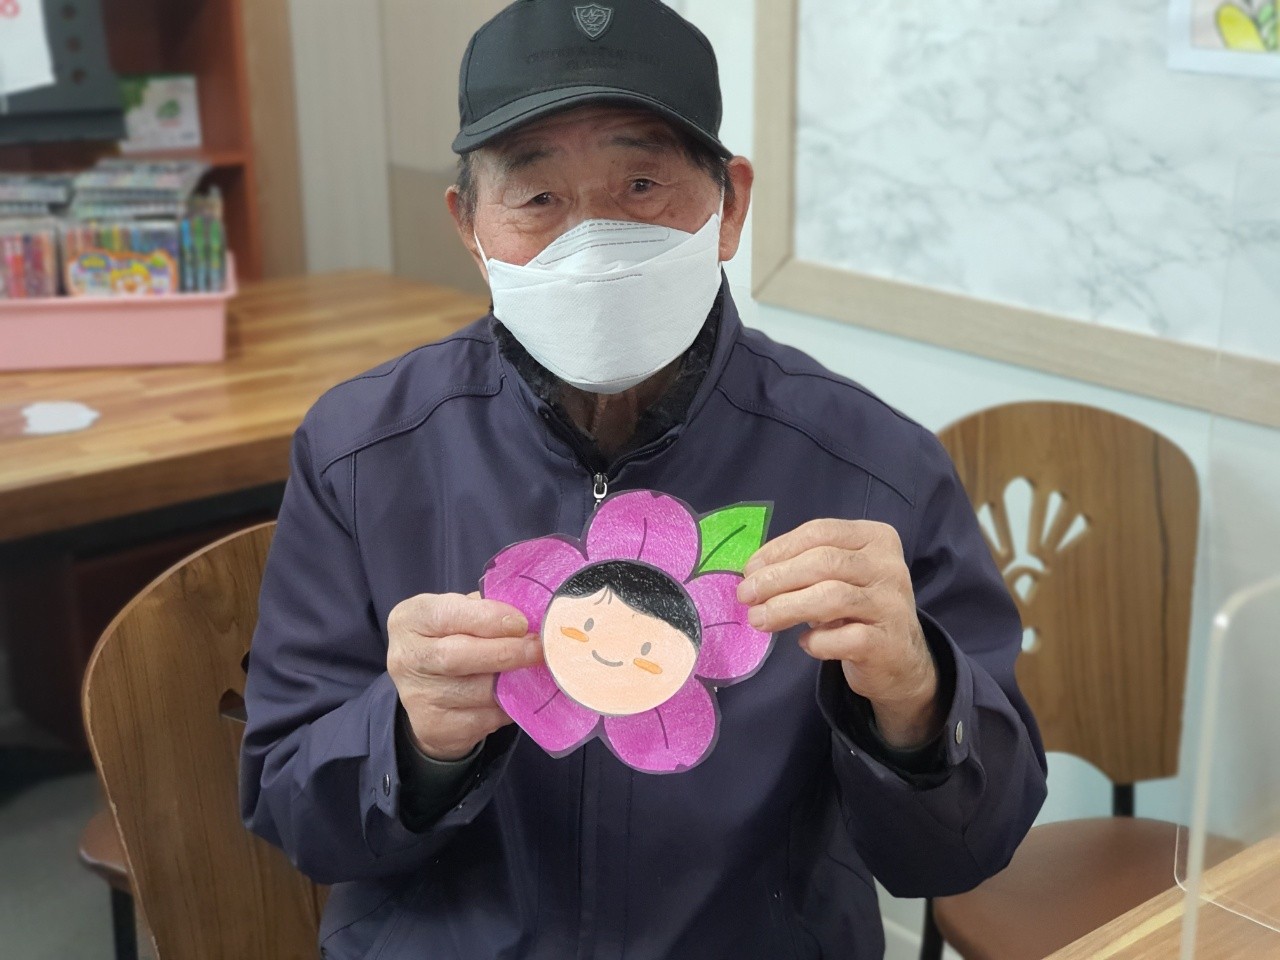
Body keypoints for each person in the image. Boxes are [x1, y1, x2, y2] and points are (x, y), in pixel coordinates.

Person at [240, 1, 1048, 957]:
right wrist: (408, 740)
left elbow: (966, 849)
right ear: (469, 227)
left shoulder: (874, 469)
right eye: (538, 198)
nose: (593, 241)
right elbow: (290, 806)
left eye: (640, 183)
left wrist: (917, 701)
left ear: (729, 206)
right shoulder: (364, 451)